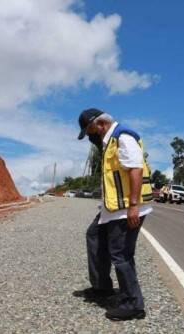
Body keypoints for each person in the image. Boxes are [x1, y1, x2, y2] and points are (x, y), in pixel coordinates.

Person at [73, 108, 153, 320]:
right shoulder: (109, 142)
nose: (92, 136)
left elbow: (136, 170)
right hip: (112, 208)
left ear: (100, 124)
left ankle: (133, 305)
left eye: (91, 131)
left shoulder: (123, 137)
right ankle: (102, 287)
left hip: (126, 208)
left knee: (121, 254)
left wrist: (133, 206)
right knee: (94, 236)